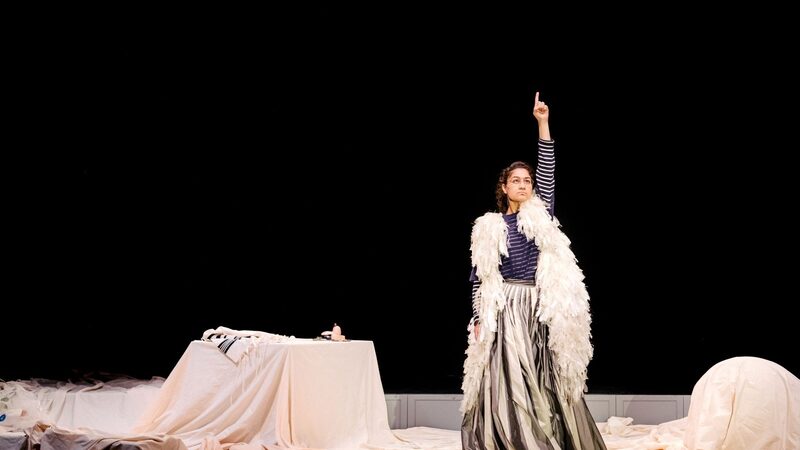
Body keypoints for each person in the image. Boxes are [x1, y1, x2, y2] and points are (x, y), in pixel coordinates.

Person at [461, 92, 606, 449]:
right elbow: (480, 277)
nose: (523, 184)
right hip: (505, 306)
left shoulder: (538, 216)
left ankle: (541, 433)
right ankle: (511, 435)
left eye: (527, 180)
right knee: (507, 372)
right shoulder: (490, 226)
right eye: (516, 181)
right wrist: (478, 318)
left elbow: (548, 171)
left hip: (537, 304)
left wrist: (542, 123)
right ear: (504, 188)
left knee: (540, 373)